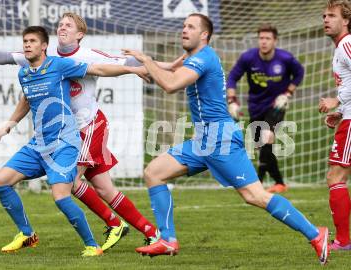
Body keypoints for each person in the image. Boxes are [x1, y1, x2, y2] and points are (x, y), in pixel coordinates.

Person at [0, 13, 161, 251]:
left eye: (68, 25)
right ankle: (151, 232)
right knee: (104, 188)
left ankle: (113, 225)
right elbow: (4, 59)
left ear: (80, 34)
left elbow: (113, 67)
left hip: (87, 126)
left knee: (71, 182)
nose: (62, 27)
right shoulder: (43, 58)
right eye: (60, 24)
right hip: (58, 134)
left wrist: (158, 68)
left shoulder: (83, 56)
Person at [123, 13, 329, 264]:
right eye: (183, 26)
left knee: (255, 196)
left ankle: (315, 233)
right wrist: (133, 68)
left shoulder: (204, 58)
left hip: (220, 140)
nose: (184, 30)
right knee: (154, 172)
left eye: (190, 27)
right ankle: (168, 240)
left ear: (204, 35)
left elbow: (171, 84)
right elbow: (168, 68)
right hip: (204, 140)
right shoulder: (193, 57)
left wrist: (145, 59)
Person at [226, 24, 304, 193]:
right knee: (262, 145)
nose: (264, 42)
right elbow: (232, 77)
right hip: (255, 106)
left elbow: (299, 73)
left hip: (276, 104)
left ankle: (257, 183)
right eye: (261, 38)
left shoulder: (286, 58)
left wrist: (288, 93)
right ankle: (279, 182)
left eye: (268, 38)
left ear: (275, 41)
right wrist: (232, 100)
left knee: (267, 136)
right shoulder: (248, 58)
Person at [319, 0, 351, 251]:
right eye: (324, 16)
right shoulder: (340, 48)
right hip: (348, 117)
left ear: (346, 20)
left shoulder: (347, 44)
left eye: (331, 15)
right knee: (336, 175)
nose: (326, 19)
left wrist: (337, 100)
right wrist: (340, 111)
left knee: (335, 175)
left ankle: (343, 241)